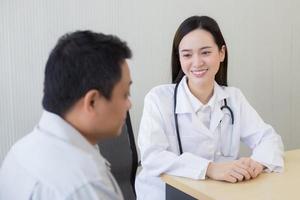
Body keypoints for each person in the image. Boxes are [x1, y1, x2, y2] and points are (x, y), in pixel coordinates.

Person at [135, 16, 284, 199]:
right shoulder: (158, 99)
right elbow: (153, 157)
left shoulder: (233, 98)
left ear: (221, 53)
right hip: (164, 194)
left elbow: (268, 138)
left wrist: (258, 163)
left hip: (217, 194)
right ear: (179, 58)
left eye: (205, 52)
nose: (197, 63)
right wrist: (210, 169)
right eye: (187, 55)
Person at [0, 30, 132, 200]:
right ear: (92, 101)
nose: (129, 104)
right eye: (125, 94)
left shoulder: (19, 151)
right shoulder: (85, 186)